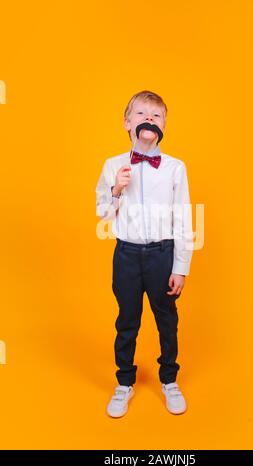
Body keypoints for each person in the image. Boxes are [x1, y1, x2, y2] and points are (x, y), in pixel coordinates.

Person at [96, 90, 194, 418]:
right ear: (127, 123)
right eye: (141, 114)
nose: (149, 119)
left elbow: (184, 218)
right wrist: (116, 190)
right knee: (127, 319)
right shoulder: (113, 165)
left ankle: (169, 379)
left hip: (162, 254)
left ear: (165, 125)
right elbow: (103, 215)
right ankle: (124, 382)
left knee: (166, 318)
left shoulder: (175, 168)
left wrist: (180, 266)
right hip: (126, 254)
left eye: (156, 115)